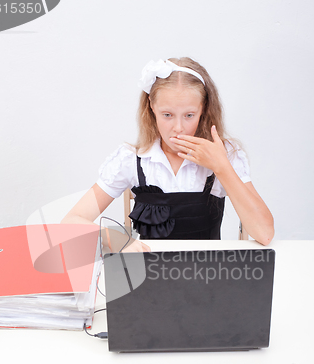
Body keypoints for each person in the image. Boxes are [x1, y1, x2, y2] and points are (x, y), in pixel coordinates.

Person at [62, 57, 274, 249]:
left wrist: (221, 166)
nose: (178, 127)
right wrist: (113, 238)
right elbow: (71, 223)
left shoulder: (224, 155)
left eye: (189, 115)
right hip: (149, 278)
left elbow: (264, 234)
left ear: (204, 109)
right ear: (151, 107)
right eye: (167, 115)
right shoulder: (131, 159)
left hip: (208, 278)